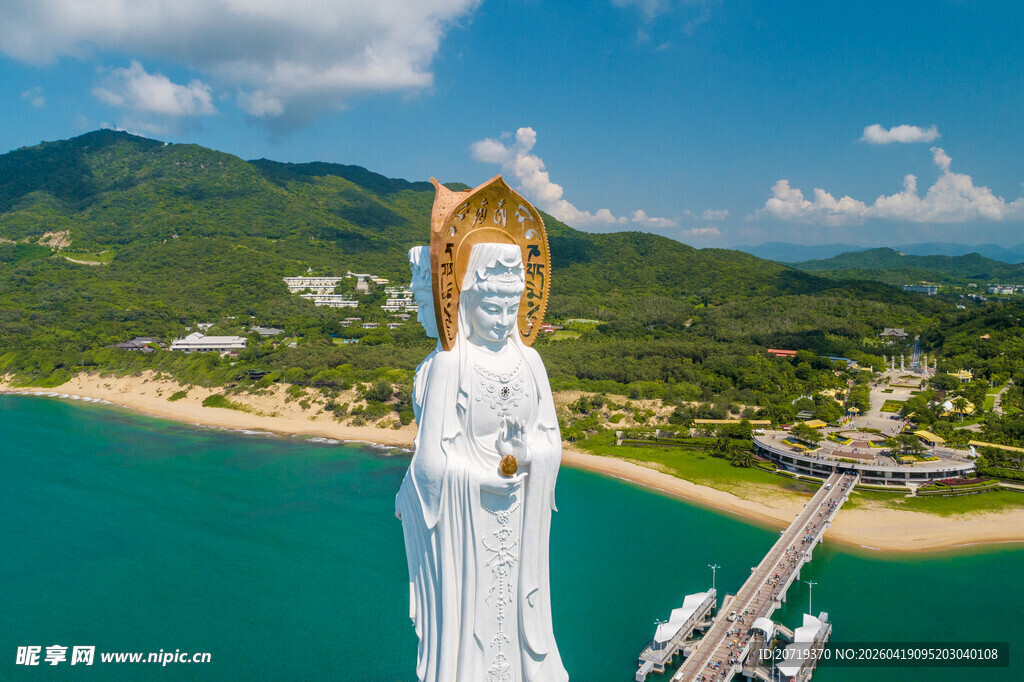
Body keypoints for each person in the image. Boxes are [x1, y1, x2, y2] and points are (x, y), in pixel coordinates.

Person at [397, 242, 567, 682]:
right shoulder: (451, 364)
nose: (502, 320)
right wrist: (478, 479)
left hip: (518, 515)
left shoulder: (530, 361)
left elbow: (551, 440)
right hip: (467, 526)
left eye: (512, 308)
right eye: (491, 307)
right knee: (472, 623)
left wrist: (530, 456)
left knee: (514, 616)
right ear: (466, 301)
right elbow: (430, 462)